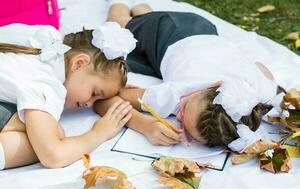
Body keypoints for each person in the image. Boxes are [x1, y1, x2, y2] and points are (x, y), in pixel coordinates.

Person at [94, 0, 282, 151]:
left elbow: (262, 68)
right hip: (165, 33)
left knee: (147, 18)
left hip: (201, 27)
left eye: (188, 133)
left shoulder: (252, 91)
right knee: (118, 27)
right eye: (184, 109)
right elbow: (113, 95)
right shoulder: (176, 93)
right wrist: (142, 114)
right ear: (213, 84)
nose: (179, 117)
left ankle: (142, 8)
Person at [0, 22, 137, 169]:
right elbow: (54, 156)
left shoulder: (48, 35)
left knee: (42, 132)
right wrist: (99, 133)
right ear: (79, 63)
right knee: (55, 134)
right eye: (94, 93)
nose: (89, 104)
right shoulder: (46, 85)